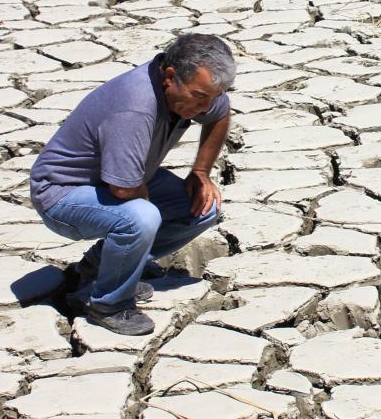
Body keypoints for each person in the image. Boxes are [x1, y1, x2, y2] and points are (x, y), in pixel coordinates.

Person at [29, 33, 234, 335]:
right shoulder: (135, 106)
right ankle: (109, 304)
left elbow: (221, 112)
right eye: (199, 96)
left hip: (124, 178)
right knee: (142, 217)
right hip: (63, 193)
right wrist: (141, 231)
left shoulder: (202, 94)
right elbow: (124, 190)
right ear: (170, 77)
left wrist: (201, 172)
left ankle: (102, 267)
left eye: (212, 96)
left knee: (203, 207)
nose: (206, 107)